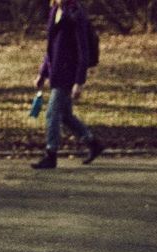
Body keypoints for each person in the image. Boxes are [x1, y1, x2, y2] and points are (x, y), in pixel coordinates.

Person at [31, 0, 104, 170]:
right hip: (56, 71)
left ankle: (51, 154)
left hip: (68, 73)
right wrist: (42, 73)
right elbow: (50, 48)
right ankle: (93, 143)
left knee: (52, 114)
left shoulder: (75, 13)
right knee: (65, 116)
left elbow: (83, 50)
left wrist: (79, 81)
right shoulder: (55, 10)